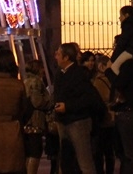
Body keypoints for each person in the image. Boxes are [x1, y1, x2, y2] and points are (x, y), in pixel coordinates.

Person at [54, 43, 101, 174]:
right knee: (65, 160)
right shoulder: (59, 73)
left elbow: (89, 99)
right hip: (63, 121)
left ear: (66, 57)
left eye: (58, 53)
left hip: (77, 122)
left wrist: (68, 106)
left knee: (84, 160)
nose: (55, 56)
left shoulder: (79, 74)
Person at [86, 52, 117, 174]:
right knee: (110, 151)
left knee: (99, 151)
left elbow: (97, 100)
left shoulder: (98, 81)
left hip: (102, 119)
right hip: (112, 118)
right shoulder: (114, 79)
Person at [23, 60, 51, 174]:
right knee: (35, 152)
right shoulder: (36, 82)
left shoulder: (25, 81)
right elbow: (37, 102)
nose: (43, 70)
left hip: (27, 121)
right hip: (35, 121)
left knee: (29, 151)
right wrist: (50, 102)